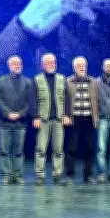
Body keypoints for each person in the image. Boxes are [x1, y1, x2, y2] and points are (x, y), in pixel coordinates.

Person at [0, 56, 35, 184]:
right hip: (3, 122)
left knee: (18, 151)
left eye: (19, 63)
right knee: (4, 151)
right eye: (14, 63)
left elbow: (30, 102)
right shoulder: (0, 81)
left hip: (20, 122)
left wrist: (20, 114)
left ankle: (17, 175)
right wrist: (8, 113)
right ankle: (6, 175)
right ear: (9, 65)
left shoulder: (28, 82)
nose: (18, 65)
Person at [32, 53, 69, 185]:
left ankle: (57, 175)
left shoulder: (62, 78)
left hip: (58, 120)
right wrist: (35, 116)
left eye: (53, 62)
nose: (51, 64)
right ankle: (40, 175)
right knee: (41, 149)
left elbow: (67, 98)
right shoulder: (37, 79)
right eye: (48, 62)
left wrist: (66, 115)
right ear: (43, 65)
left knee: (58, 150)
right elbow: (33, 100)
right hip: (43, 120)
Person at [64, 56, 100, 183]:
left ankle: (88, 175)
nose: (82, 67)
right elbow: (63, 100)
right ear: (74, 67)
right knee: (71, 147)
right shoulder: (67, 81)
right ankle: (70, 175)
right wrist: (65, 115)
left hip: (89, 119)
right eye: (79, 65)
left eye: (84, 65)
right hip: (73, 119)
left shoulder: (94, 81)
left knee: (89, 148)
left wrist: (97, 116)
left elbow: (98, 100)